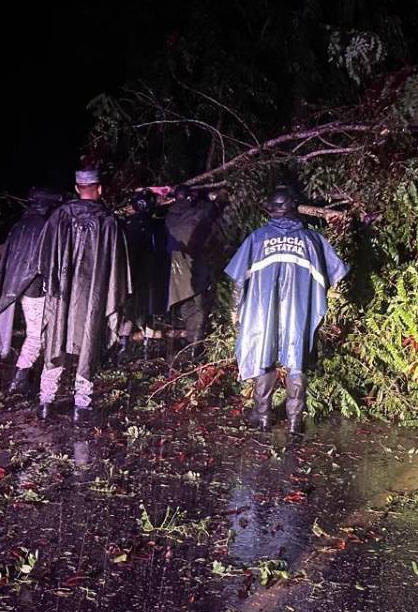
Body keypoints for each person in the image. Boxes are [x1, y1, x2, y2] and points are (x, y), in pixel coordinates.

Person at [224, 186, 348, 434]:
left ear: (271, 210)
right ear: (295, 209)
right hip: (300, 310)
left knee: (263, 356)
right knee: (297, 361)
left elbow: (238, 280)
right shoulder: (312, 240)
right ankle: (294, 421)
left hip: (261, 310)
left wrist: (235, 309)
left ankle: (262, 415)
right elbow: (337, 274)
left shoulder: (257, 238)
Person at [37, 169, 130, 423]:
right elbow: (117, 269)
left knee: (57, 336)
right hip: (93, 296)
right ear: (99, 189)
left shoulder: (59, 216)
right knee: (89, 342)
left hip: (63, 294)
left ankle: (46, 400)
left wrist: (53, 283)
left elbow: (44, 257)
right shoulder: (108, 222)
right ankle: (81, 405)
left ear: (77, 188)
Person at [0, 187, 64, 394]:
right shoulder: (44, 227)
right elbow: (46, 263)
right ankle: (23, 380)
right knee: (38, 337)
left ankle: (22, 379)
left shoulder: (20, 226)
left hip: (25, 291)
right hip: (38, 290)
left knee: (36, 335)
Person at [165, 184, 221, 359]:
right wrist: (212, 199)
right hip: (192, 271)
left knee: (186, 306)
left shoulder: (168, 216)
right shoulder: (195, 215)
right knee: (197, 309)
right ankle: (194, 350)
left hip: (173, 272)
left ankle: (189, 346)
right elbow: (210, 212)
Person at [117, 189, 169, 360]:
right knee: (147, 310)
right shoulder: (156, 226)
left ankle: (124, 346)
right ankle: (144, 347)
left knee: (129, 310)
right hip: (149, 277)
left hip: (131, 277)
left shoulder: (126, 226)